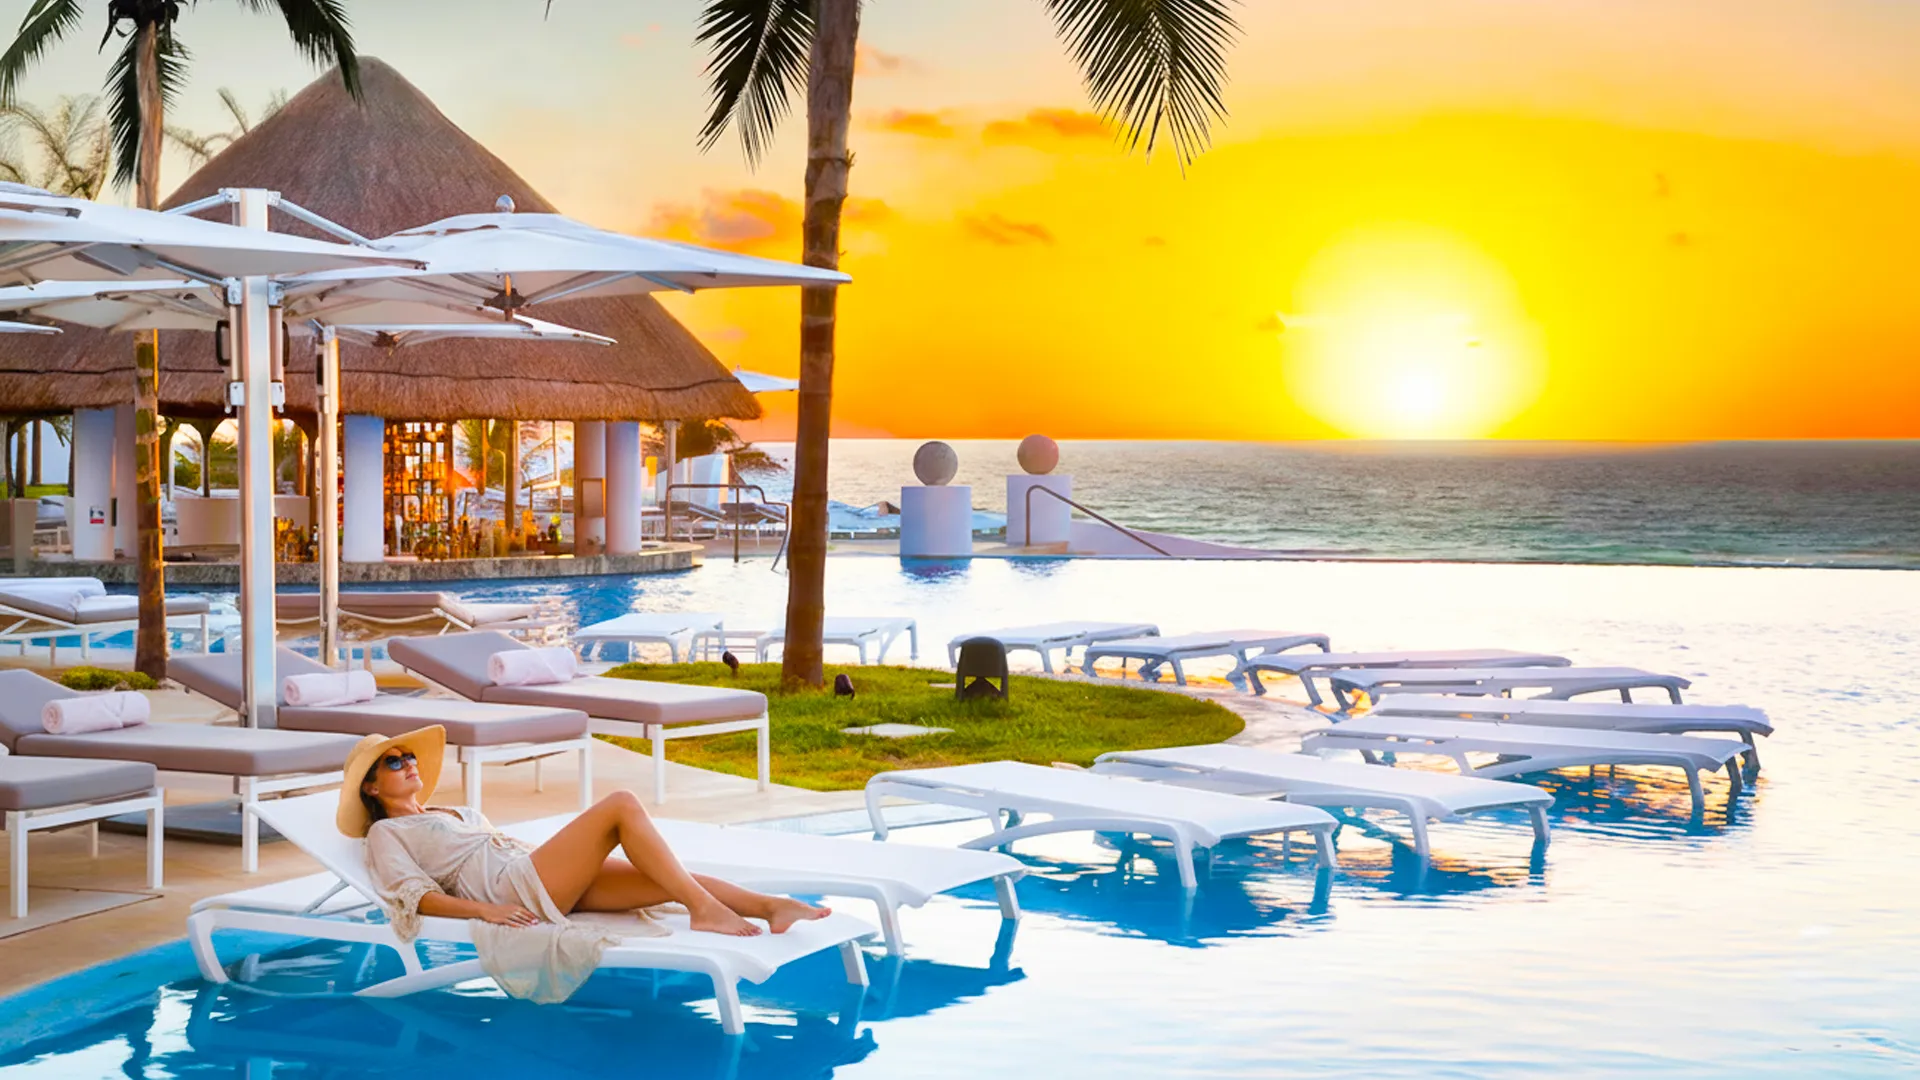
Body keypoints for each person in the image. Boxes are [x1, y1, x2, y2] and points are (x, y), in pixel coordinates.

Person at [338, 726, 830, 1003]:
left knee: (668, 880)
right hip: (511, 889)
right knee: (620, 804)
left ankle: (771, 906)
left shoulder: (455, 810)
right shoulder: (385, 833)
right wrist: (483, 912)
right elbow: (412, 896)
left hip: (532, 871)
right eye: (395, 763)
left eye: (408, 756)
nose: (409, 763)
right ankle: (706, 909)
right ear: (373, 788)